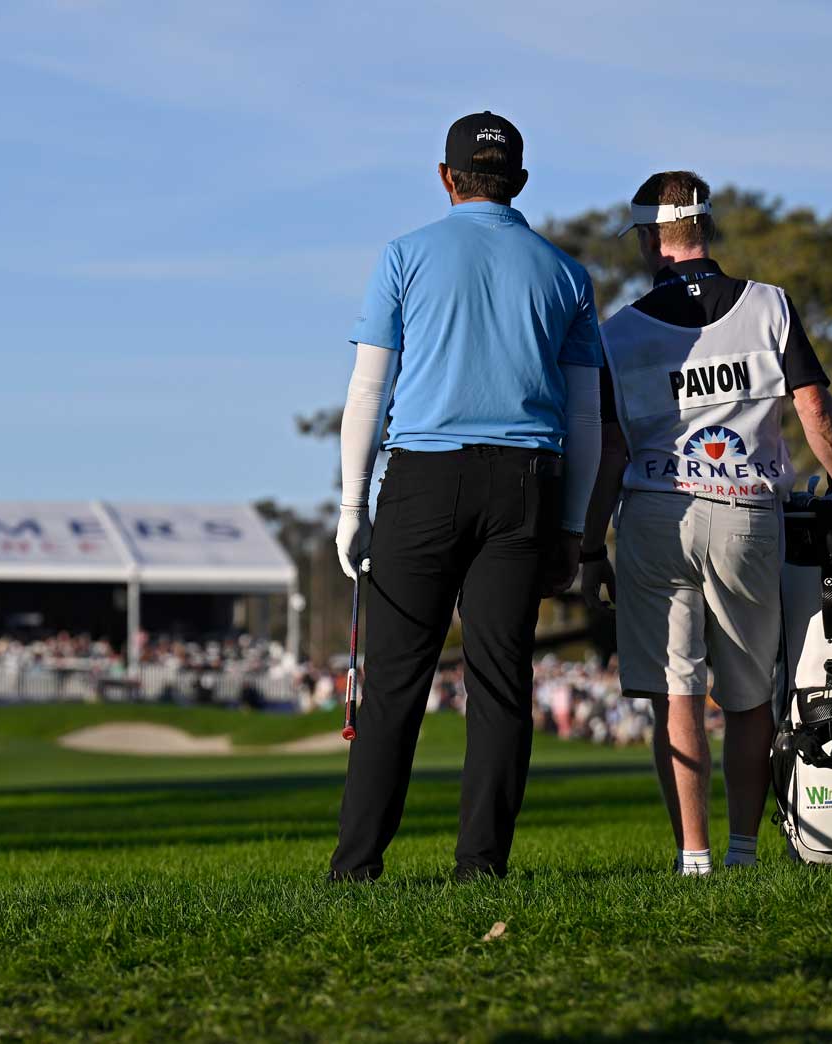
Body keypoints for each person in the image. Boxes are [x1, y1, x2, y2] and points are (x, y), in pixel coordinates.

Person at [579, 171, 832, 875]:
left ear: (651, 239)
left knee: (676, 696)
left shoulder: (617, 333)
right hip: (749, 511)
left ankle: (694, 857)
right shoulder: (769, 305)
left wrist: (591, 542)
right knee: (748, 700)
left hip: (656, 515)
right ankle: (744, 853)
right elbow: (812, 410)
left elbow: (613, 449)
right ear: (705, 227)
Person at [329, 111, 604, 883]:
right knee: (499, 682)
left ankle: (357, 867)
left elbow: (368, 391)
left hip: (422, 480)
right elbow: (584, 414)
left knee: (393, 684)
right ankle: (480, 866)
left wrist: (352, 509)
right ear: (518, 181)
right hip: (525, 486)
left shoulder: (405, 255)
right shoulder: (565, 273)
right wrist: (575, 528)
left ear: (447, 178)